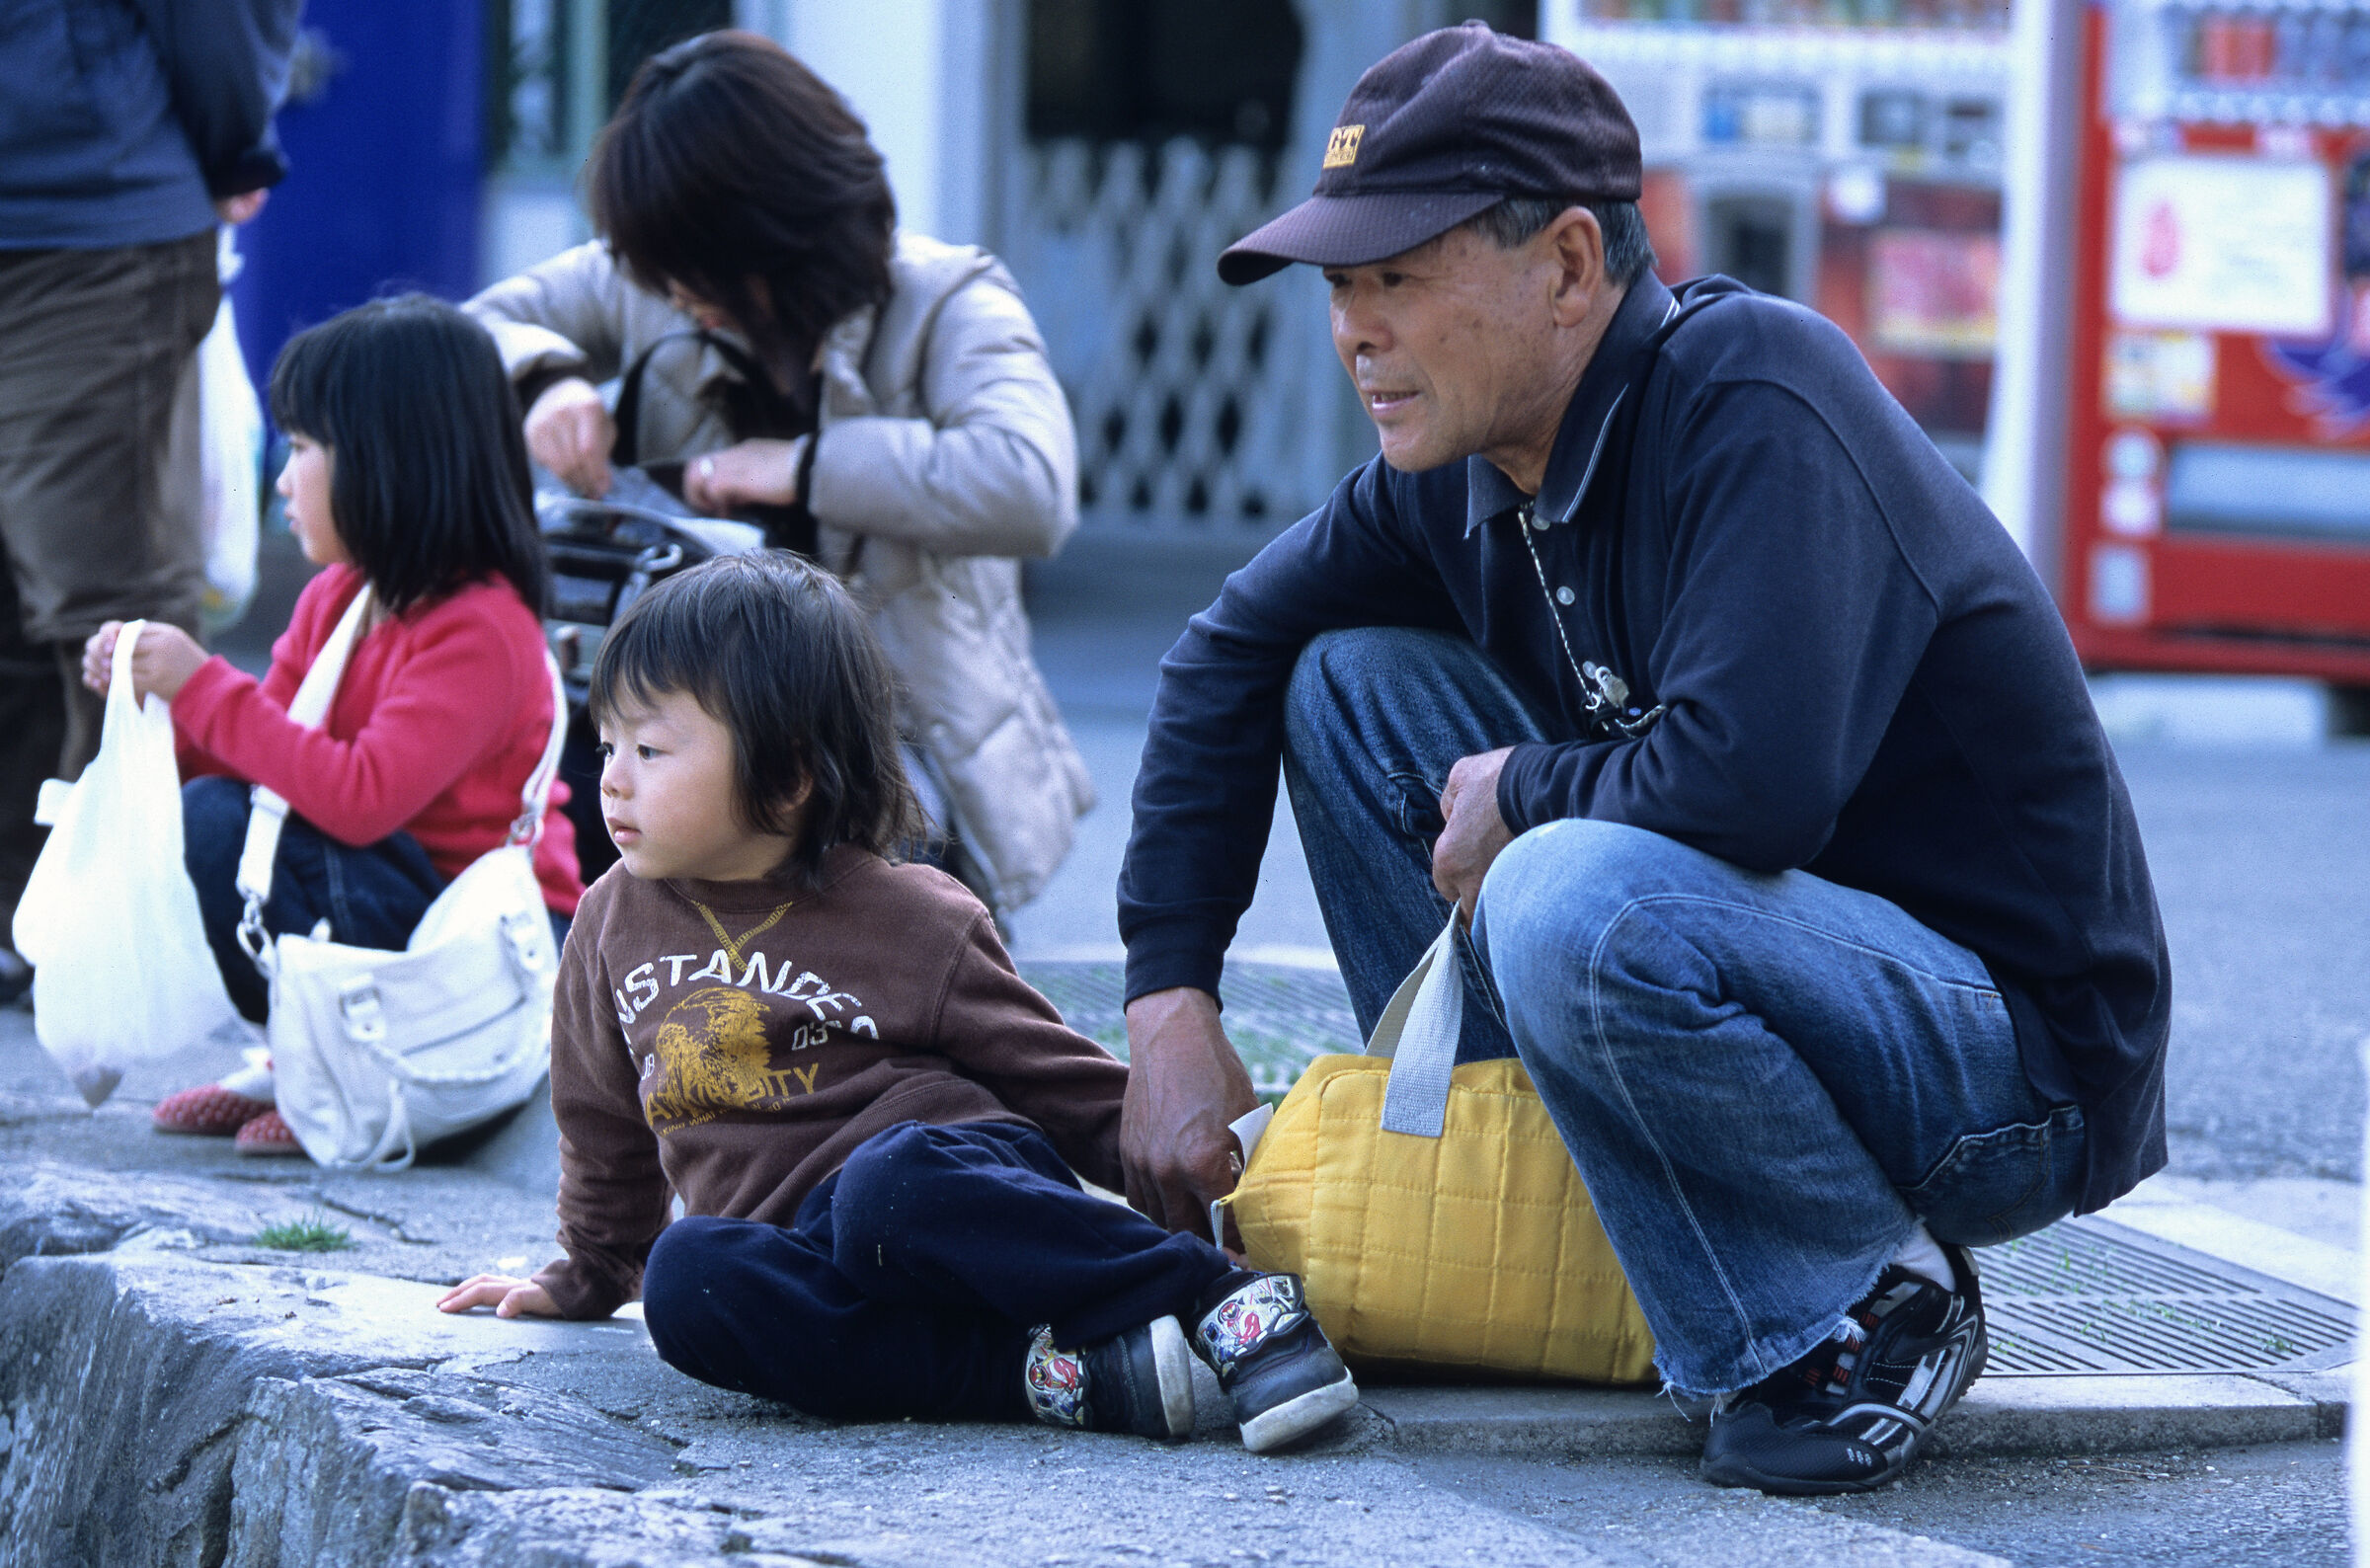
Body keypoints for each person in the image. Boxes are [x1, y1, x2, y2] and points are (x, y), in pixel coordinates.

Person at [1116, 23, 2170, 1495]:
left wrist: (1523, 794)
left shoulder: (1756, 392)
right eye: (1341, 289)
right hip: (1752, 984)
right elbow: (1221, 655)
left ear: (1563, 266)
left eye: (1397, 279)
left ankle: (1856, 1295)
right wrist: (1168, 998)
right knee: (1341, 684)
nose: (1355, 329)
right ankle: (1529, 1215)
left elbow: (1754, 784)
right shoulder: (1459, 468)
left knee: (1563, 891)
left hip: (2002, 1066)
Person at [434, 553, 1357, 1452]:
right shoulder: (609, 923)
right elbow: (601, 1122)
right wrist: (593, 1270)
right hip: (814, 1271)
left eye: (650, 748)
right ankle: (1054, 1379)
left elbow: (1058, 1085)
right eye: (606, 747)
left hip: (949, 1205)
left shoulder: (909, 915)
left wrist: (1209, 1187)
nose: (614, 778)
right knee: (687, 1279)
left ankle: (1210, 1298)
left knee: (884, 1189)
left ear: (788, 778)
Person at [464, 30, 1090, 920]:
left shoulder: (948, 300)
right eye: (664, 271)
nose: (677, 297)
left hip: (886, 748)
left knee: (842, 883)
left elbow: (1031, 484)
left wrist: (802, 468)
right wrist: (546, 381)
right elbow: (464, 335)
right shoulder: (656, 272)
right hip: (683, 724)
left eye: (698, 270)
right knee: (570, 771)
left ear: (777, 226)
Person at [90, 296, 585, 1154]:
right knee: (212, 814)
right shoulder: (339, 597)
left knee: (235, 826)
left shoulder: (482, 628)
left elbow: (359, 797)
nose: (282, 478)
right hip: (388, 907)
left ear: (392, 461)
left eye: (306, 448)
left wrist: (204, 683)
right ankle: (307, 1055)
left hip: (479, 948)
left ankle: (353, 1073)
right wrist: (150, 703)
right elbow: (259, 745)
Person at [0, 0, 304, 1000]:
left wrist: (230, 140)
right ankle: (28, 921)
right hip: (69, 186)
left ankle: (118, 939)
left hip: (84, 208)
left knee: (104, 606)